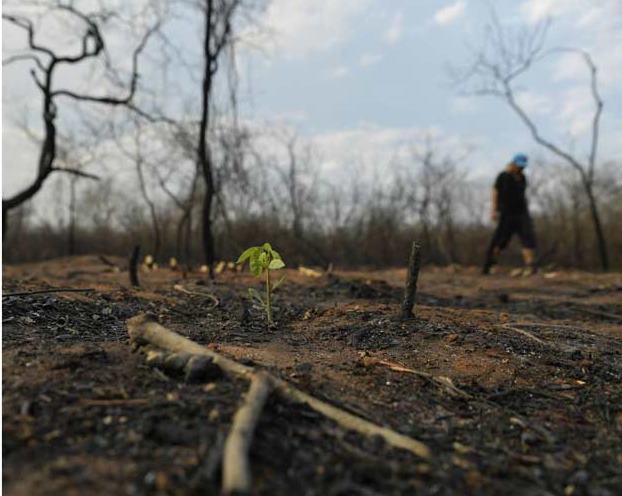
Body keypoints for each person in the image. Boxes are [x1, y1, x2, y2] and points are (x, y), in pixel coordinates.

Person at [482, 153, 537, 275]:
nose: (521, 168)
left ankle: (531, 266)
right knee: (501, 240)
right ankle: (490, 263)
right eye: (519, 165)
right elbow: (495, 192)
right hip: (506, 212)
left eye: (523, 166)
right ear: (513, 163)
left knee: (528, 237)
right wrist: (494, 209)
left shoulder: (523, 178)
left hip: (521, 212)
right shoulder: (503, 176)